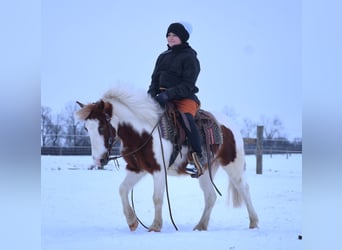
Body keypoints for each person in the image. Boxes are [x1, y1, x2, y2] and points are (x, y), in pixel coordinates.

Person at [147, 22, 205, 177]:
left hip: (184, 98)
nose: (171, 38)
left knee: (186, 118)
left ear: (183, 37)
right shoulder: (162, 57)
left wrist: (168, 94)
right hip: (162, 98)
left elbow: (188, 84)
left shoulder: (190, 57)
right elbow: (154, 80)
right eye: (169, 35)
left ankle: (198, 157)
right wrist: (152, 95)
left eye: (175, 35)